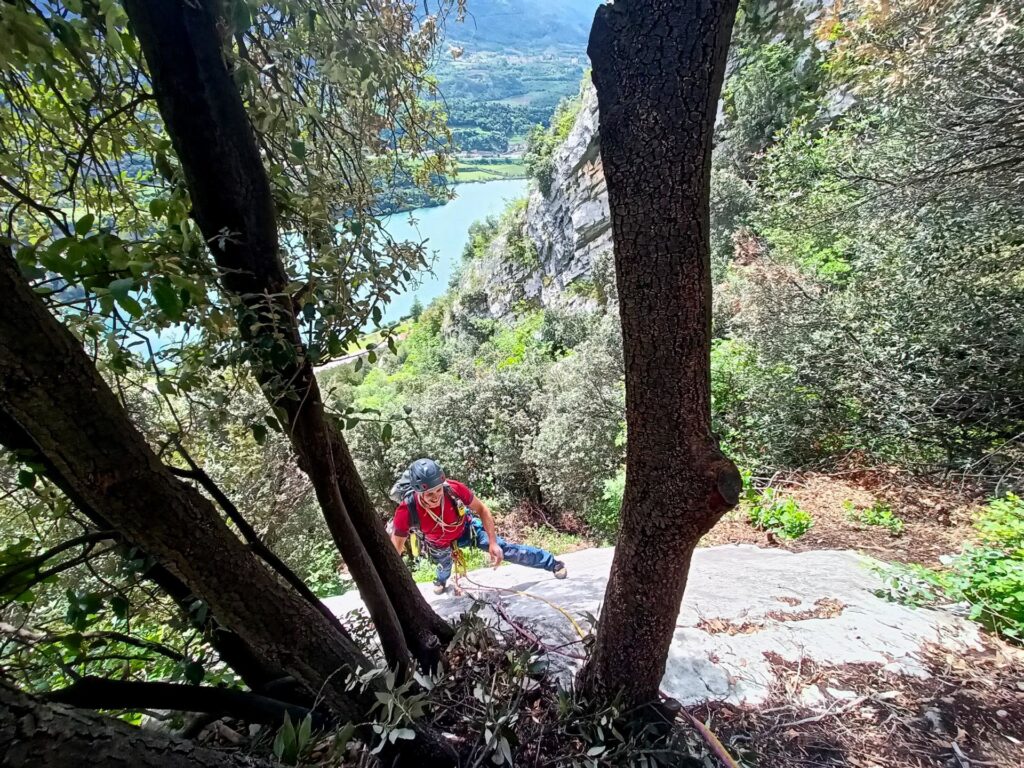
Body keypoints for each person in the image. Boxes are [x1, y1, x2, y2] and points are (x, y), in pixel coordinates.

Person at [390, 458, 567, 594]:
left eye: (438, 490)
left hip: (467, 530)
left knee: (505, 549)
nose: (436, 496)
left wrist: (492, 542)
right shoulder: (407, 510)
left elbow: (482, 509)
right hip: (438, 543)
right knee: (443, 566)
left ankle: (552, 563)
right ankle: (441, 580)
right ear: (418, 491)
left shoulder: (452, 489)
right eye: (429, 494)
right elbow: (394, 550)